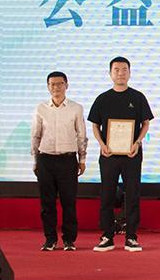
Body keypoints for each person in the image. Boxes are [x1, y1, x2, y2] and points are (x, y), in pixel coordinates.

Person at [88, 57, 153, 253]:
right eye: (116, 70)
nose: (120, 73)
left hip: (132, 154)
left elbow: (146, 123)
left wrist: (137, 142)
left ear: (130, 73)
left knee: (132, 194)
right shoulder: (102, 99)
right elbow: (95, 125)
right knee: (107, 194)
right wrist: (102, 144)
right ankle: (107, 236)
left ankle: (131, 237)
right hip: (108, 154)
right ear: (110, 73)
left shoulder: (138, 97)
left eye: (124, 69)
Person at [30, 71, 87, 251]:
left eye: (60, 83)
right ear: (48, 87)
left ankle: (69, 240)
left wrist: (82, 158)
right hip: (45, 159)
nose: (56, 87)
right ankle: (50, 239)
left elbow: (82, 135)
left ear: (66, 85)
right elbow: (35, 136)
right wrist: (35, 161)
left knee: (69, 202)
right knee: (47, 203)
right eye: (52, 84)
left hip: (67, 160)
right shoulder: (40, 108)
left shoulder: (76, 108)